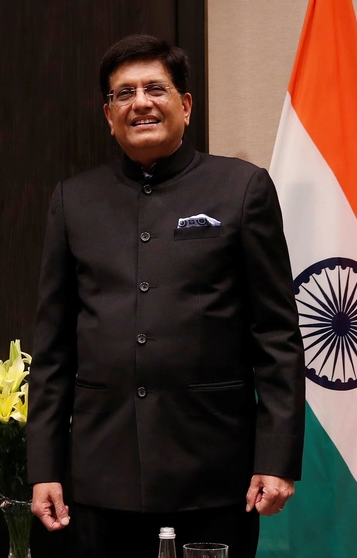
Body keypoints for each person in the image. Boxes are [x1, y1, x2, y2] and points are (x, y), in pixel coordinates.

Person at [26, 35, 305, 557]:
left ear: (186, 104)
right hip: (98, 476)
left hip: (214, 470)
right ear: (108, 114)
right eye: (123, 93)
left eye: (156, 88)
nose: (141, 103)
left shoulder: (242, 189)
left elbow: (277, 337)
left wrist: (277, 456)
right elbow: (53, 346)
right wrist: (43, 466)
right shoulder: (74, 200)